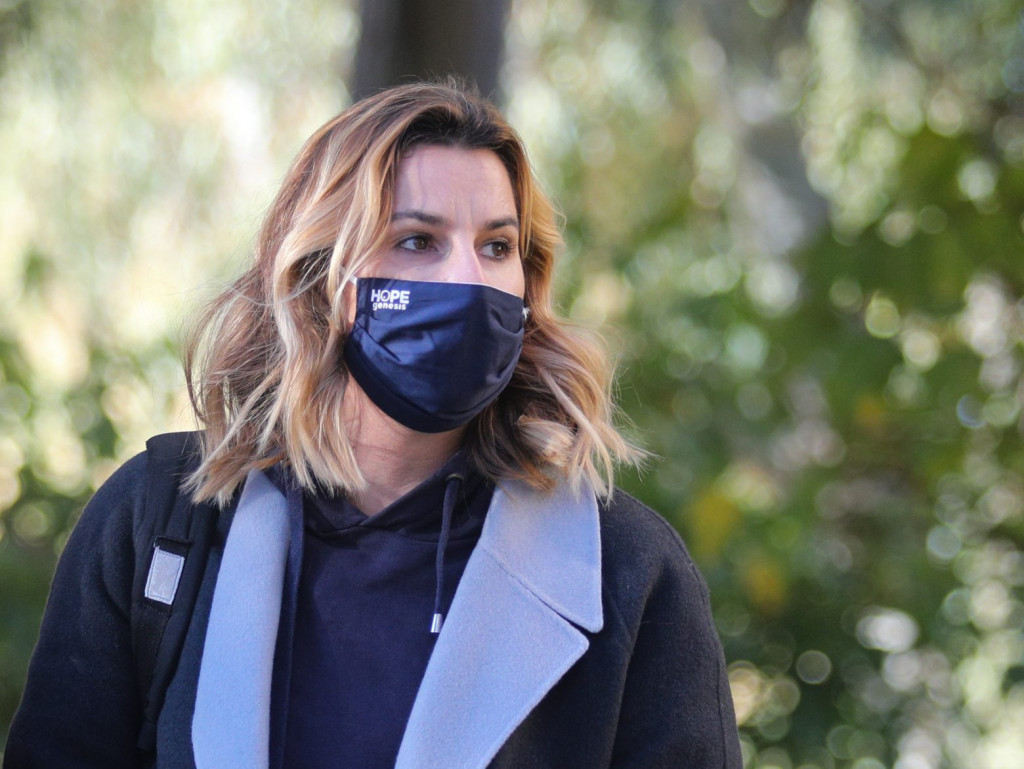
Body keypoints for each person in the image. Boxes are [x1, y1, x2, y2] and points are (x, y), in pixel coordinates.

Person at [5, 81, 742, 768]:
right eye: (418, 240)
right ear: (322, 277)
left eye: (496, 246)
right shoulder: (157, 520)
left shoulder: (626, 567)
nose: (467, 279)